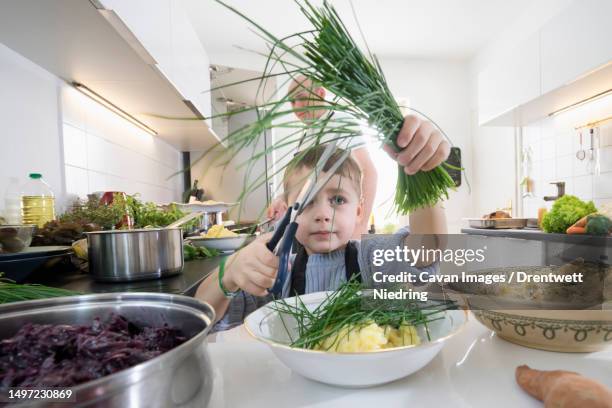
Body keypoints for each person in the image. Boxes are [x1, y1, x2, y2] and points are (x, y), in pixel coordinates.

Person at [195, 114, 450, 332]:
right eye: (307, 202)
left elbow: (426, 251)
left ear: (359, 211)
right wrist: (229, 272)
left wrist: (421, 171)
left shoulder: (371, 257)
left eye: (338, 199)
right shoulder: (277, 271)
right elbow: (204, 318)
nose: (323, 214)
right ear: (290, 213)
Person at [266, 75, 378, 239]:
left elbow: (369, 172)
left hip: (338, 232)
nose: (296, 106)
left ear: (320, 93)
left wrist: (360, 226)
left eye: (301, 98)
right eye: (292, 102)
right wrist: (282, 198)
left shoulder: (341, 121)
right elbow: (305, 183)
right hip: (312, 233)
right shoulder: (305, 136)